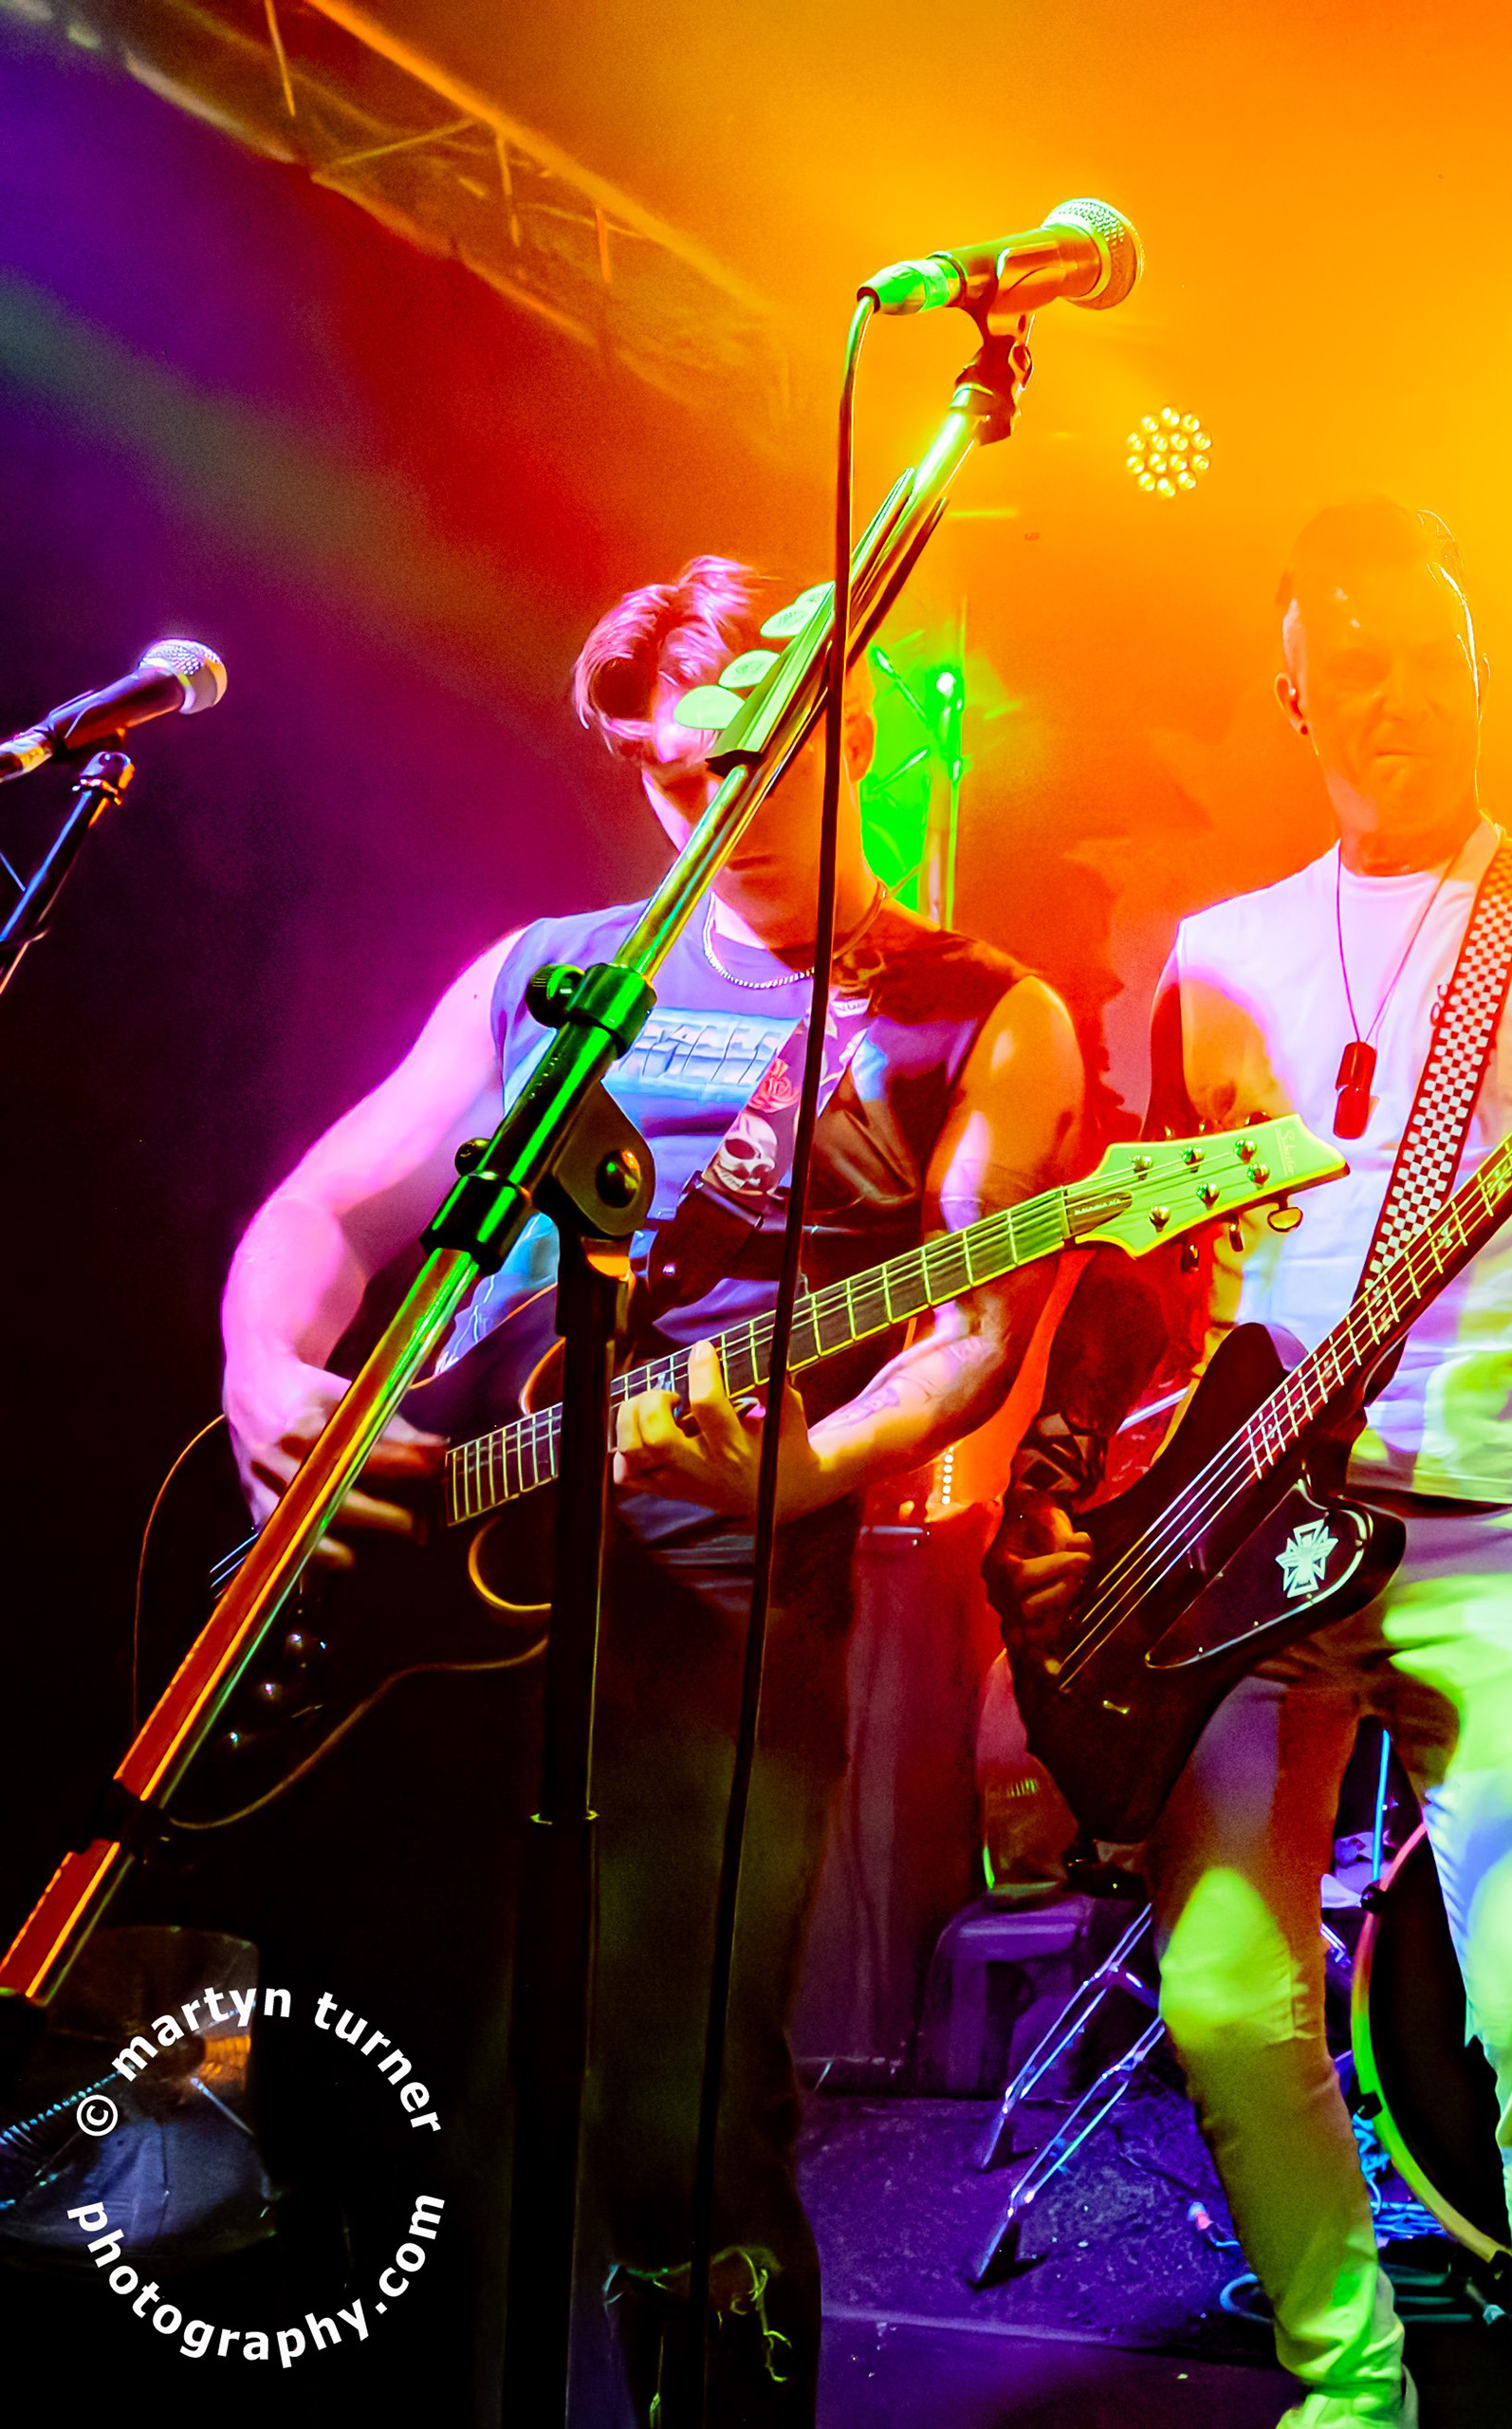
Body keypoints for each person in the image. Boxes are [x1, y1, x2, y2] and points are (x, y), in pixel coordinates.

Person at [218, 554, 1086, 2420]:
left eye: (763, 763)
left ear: (855, 737)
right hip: (438, 1616)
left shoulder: (977, 1012)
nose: (723, 809)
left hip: (719, 1633)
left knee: (682, 2121)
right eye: (680, 772)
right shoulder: (553, 972)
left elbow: (970, 1335)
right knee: (379, 2083)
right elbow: (328, 1208)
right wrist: (264, 1371)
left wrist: (809, 1463)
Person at [987, 500, 1512, 2429]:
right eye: (1360, 662)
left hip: (1495, 1518)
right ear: (1298, 698)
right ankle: (1346, 2381)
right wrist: (1056, 1485)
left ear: (1484, 671)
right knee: (1224, 1988)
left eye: (1437, 654)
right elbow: (1157, 1267)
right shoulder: (1218, 954)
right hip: (1254, 1530)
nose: (1407, 693)